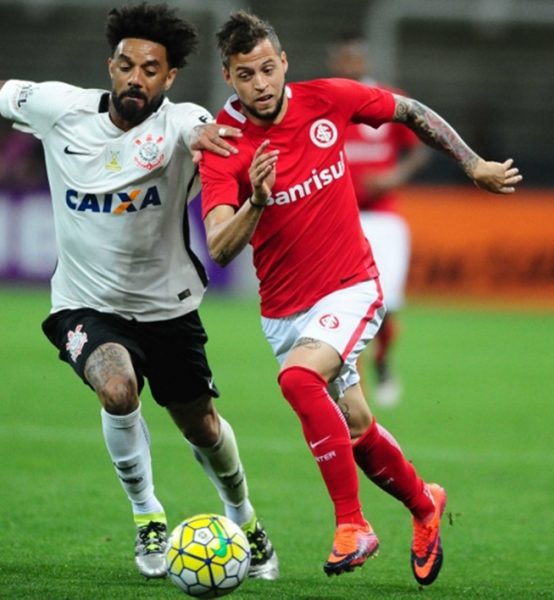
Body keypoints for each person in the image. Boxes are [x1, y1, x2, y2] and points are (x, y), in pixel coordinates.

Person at [200, 10, 522, 584]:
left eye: (269, 69)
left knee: (299, 381)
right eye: (247, 74)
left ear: (285, 63)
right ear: (228, 76)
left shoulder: (327, 99)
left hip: (351, 285)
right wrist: (256, 201)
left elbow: (411, 112)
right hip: (283, 309)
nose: (262, 84)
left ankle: (353, 524)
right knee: (353, 424)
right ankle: (425, 504)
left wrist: (472, 165)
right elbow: (220, 246)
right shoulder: (224, 146)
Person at [0, 3, 278, 581]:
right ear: (110, 66)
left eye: (151, 70)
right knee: (118, 388)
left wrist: (209, 139)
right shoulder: (58, 109)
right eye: (126, 66)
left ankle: (244, 517)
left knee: (200, 426)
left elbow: (199, 129)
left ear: (169, 78)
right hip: (84, 303)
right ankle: (146, 512)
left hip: (167, 307)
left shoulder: (180, 122)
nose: (136, 79)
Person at [328, 34, 430, 407]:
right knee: (340, 302)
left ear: (365, 60)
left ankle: (383, 359)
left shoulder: (387, 100)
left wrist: (392, 178)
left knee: (385, 303)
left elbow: (419, 151)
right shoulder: (324, 104)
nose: (349, 64)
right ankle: (348, 378)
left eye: (354, 57)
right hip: (339, 218)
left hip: (383, 219)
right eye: (342, 57)